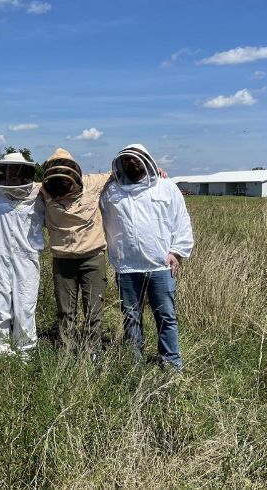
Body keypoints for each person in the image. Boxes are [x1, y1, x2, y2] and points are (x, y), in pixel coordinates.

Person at [100, 144, 193, 371]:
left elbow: (181, 221)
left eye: (136, 160)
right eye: (126, 161)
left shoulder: (166, 187)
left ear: (147, 161)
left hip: (160, 266)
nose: (131, 164)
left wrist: (177, 253)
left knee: (166, 318)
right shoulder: (112, 192)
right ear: (119, 165)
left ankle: (171, 364)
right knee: (131, 319)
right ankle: (135, 363)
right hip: (127, 267)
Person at [41, 148, 112, 360]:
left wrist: (155, 171)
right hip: (62, 260)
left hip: (93, 257)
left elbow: (118, 172)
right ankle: (66, 349)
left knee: (93, 309)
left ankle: (92, 350)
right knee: (65, 311)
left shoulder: (94, 182)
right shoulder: (43, 190)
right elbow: (16, 186)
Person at [0, 152, 45, 358]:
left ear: (26, 173)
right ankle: (2, 352)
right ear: (2, 173)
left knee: (25, 306)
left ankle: (25, 351)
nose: (14, 176)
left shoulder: (39, 195)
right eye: (9, 171)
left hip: (27, 257)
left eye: (18, 171)